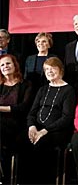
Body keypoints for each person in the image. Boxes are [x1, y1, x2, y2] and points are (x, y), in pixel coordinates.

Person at [18, 57, 76, 184]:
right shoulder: (42, 89)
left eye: (53, 68)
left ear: (60, 70)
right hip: (37, 128)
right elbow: (32, 113)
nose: (50, 71)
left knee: (41, 145)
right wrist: (32, 127)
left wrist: (44, 131)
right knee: (21, 141)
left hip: (57, 131)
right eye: (47, 69)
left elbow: (67, 118)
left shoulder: (69, 90)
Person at [0, 54, 33, 184]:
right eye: (2, 65)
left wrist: (1, 109)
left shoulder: (26, 84)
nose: (5, 67)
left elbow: (23, 108)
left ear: (15, 65)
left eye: (8, 63)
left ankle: (4, 178)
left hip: (17, 125)